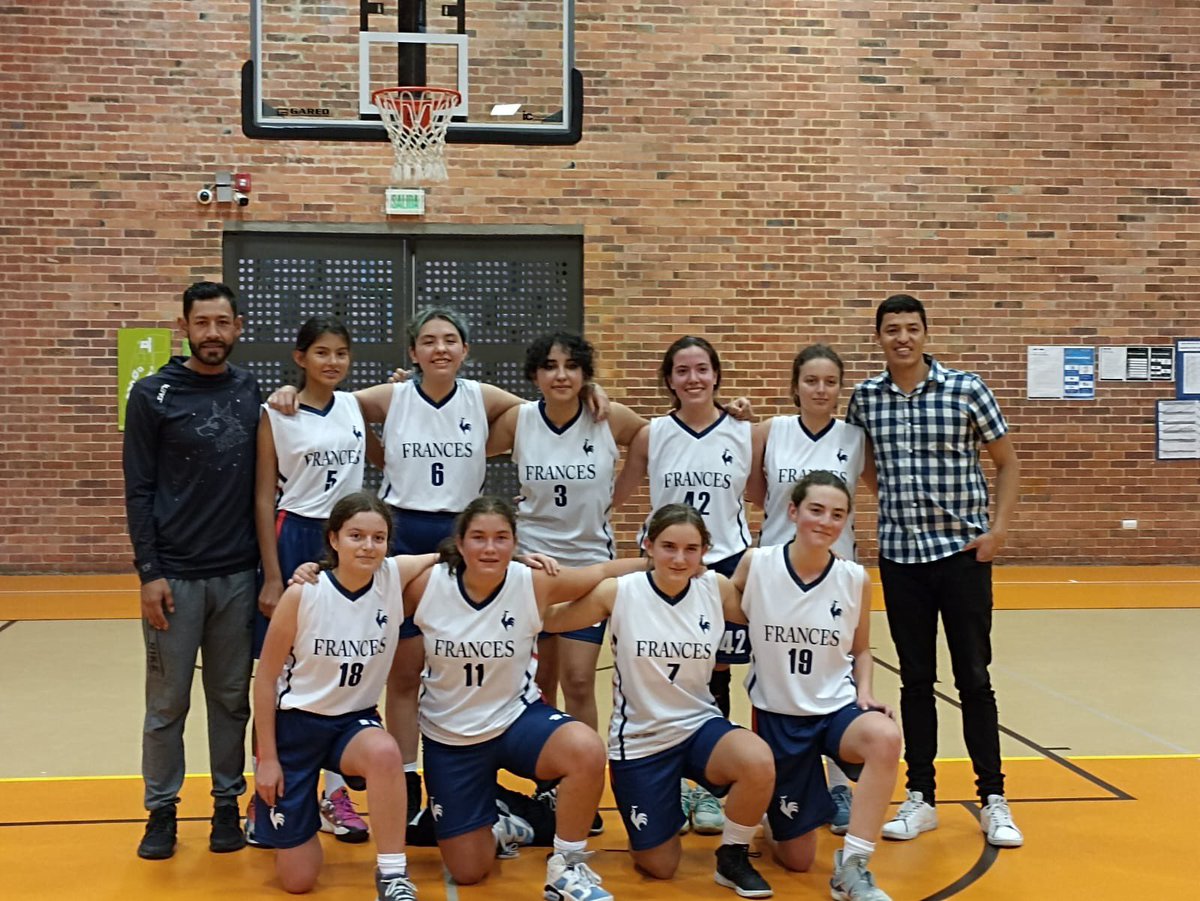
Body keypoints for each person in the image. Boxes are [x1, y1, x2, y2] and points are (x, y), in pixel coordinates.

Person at [270, 307, 600, 818]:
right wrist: (287, 394)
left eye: (450, 340)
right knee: (404, 672)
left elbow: (550, 406)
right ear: (413, 351)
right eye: (428, 340)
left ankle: (485, 774)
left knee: (474, 662)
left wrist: (592, 394)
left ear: (465, 349)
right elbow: (330, 402)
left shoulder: (484, 398)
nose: (440, 348)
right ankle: (405, 781)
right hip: (404, 534)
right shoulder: (391, 397)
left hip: (462, 535)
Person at [845, 294, 1023, 848]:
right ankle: (920, 795)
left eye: (911, 328)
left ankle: (993, 798)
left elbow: (1007, 462)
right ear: (879, 337)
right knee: (916, 681)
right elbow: (862, 463)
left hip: (963, 556)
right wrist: (895, 499)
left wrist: (996, 531)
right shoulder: (866, 399)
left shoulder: (966, 389)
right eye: (892, 329)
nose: (902, 337)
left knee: (974, 678)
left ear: (925, 333)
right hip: (902, 558)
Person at [403, 496, 644, 901]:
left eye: (501, 538)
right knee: (468, 871)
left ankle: (567, 867)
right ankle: (506, 819)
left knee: (585, 749)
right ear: (460, 543)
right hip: (451, 738)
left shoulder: (531, 581)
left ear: (516, 543)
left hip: (516, 719)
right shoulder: (428, 584)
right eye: (478, 538)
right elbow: (370, 583)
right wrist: (312, 573)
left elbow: (601, 572)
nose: (490, 548)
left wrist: (662, 562)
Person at [543, 504, 776, 899]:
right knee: (660, 866)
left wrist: (806, 567)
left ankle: (733, 855)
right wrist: (532, 573)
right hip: (640, 740)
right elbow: (550, 620)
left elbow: (773, 614)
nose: (679, 559)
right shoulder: (620, 591)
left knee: (757, 760)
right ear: (648, 546)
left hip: (699, 726)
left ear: (705, 551)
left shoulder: (715, 589)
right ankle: (662, 811)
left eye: (691, 549)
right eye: (669, 547)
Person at [123, 281, 261, 860]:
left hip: (237, 577)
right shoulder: (152, 395)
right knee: (166, 705)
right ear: (183, 327)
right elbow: (138, 489)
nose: (212, 333)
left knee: (230, 700)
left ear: (237, 327)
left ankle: (227, 804)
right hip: (173, 579)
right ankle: (161, 811)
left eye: (222, 323)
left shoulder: (250, 389)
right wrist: (148, 572)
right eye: (201, 323)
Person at [252, 492, 435, 899]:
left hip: (352, 723)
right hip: (296, 726)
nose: (368, 546)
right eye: (356, 536)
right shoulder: (304, 593)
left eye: (378, 537)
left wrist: (522, 561)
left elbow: (451, 556)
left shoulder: (391, 577)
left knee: (385, 751)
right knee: (298, 881)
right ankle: (296, 814)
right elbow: (264, 681)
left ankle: (392, 874)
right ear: (334, 539)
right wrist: (268, 760)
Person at [486, 332, 646, 782]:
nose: (561, 375)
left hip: (590, 565)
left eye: (572, 366)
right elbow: (465, 447)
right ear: (534, 375)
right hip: (533, 565)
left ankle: (584, 779)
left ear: (585, 374)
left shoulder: (607, 417)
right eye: (550, 366)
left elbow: (655, 438)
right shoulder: (519, 420)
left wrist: (617, 496)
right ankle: (550, 782)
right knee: (540, 683)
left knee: (578, 680)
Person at [734, 471, 901, 901]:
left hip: (834, 710)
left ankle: (853, 866)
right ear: (793, 511)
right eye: (816, 510)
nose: (826, 521)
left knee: (885, 737)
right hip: (778, 717)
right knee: (798, 859)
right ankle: (775, 814)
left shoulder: (854, 578)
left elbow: (861, 649)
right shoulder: (757, 565)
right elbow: (721, 607)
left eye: (837, 514)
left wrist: (865, 692)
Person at [252, 315, 383, 844]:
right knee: (281, 670)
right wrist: (272, 575)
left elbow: (389, 444)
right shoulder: (276, 413)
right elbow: (263, 496)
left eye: (341, 353)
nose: (333, 361)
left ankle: (335, 795)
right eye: (322, 352)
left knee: (341, 666)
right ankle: (265, 791)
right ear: (300, 357)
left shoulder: (354, 406)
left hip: (348, 539)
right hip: (296, 533)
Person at [617, 336, 753, 834]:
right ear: (669, 380)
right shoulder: (652, 434)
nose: (693, 379)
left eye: (702, 369)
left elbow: (770, 490)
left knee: (717, 672)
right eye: (682, 371)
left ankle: (710, 785)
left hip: (723, 561)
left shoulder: (745, 432)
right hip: (668, 562)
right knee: (665, 672)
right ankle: (670, 778)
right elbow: (616, 492)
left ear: (716, 375)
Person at [746, 343, 871, 835]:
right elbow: (755, 490)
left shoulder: (855, 438)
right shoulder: (769, 431)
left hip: (835, 572)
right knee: (774, 675)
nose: (821, 389)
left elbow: (879, 487)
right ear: (795, 386)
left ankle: (838, 785)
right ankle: (772, 781)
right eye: (811, 380)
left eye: (830, 382)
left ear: (840, 389)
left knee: (834, 674)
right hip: (777, 573)